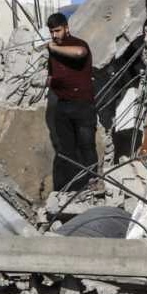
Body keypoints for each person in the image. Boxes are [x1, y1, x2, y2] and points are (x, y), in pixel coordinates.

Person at [43, 12, 97, 193]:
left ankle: (93, 183)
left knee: (87, 146)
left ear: (66, 28)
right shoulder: (54, 52)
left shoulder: (78, 44)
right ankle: (72, 188)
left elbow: (80, 53)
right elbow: (51, 76)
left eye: (57, 30)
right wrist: (51, 82)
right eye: (51, 32)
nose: (54, 35)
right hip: (63, 105)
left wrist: (53, 48)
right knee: (66, 150)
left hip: (83, 105)